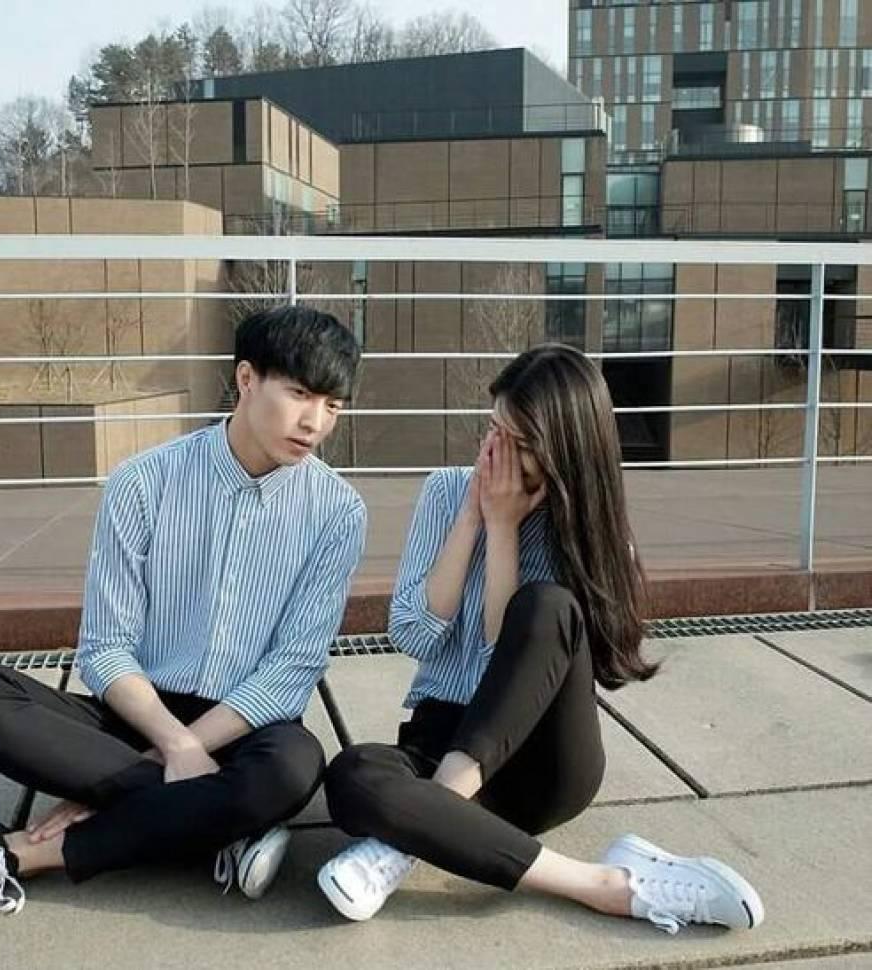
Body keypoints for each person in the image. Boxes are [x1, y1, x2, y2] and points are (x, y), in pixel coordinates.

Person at [0, 305, 367, 921]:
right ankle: (219, 826)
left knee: (292, 769)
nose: (315, 422)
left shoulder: (337, 512)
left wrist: (175, 756)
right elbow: (105, 647)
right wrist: (170, 745)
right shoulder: (144, 482)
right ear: (246, 378)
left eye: (332, 406)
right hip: (133, 715)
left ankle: (15, 853)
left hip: (246, 731)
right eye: (300, 394)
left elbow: (291, 669)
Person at [318, 344, 764, 934]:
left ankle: (415, 829)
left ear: (564, 450)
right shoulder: (445, 491)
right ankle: (603, 884)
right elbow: (412, 634)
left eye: (521, 442)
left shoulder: (586, 530)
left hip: (540, 760)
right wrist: (472, 518)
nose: (496, 453)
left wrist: (504, 528)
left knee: (546, 605)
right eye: (493, 428)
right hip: (439, 735)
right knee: (351, 776)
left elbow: (499, 661)